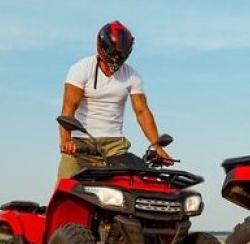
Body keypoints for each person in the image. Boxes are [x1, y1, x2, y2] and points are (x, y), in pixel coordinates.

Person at [57, 21, 172, 180]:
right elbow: (68, 108)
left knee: (137, 182)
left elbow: (142, 111)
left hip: (114, 146)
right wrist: (66, 140)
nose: (115, 63)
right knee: (66, 185)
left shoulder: (132, 76)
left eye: (121, 58)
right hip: (81, 142)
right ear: (102, 48)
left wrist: (157, 146)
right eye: (112, 57)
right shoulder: (81, 69)